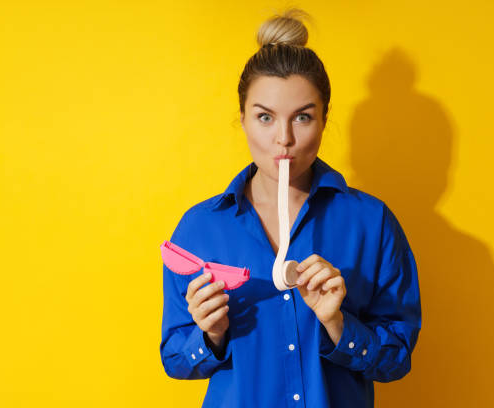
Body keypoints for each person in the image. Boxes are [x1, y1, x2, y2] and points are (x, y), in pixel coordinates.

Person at [160, 8, 422, 408]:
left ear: (324, 120)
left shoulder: (372, 223)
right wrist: (210, 335)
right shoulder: (200, 228)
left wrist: (338, 323)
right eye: (265, 117)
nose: (283, 139)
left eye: (302, 117)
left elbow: (397, 360)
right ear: (243, 120)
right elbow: (175, 360)